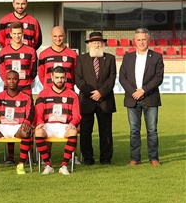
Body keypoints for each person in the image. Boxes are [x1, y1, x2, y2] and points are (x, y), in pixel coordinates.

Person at [119, 28, 164, 167]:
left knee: (152, 131)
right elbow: (122, 77)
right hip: (132, 99)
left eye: (144, 39)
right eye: (138, 39)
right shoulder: (128, 57)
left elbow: (158, 78)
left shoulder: (156, 56)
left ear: (148, 40)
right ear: (134, 41)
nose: (141, 42)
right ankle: (135, 159)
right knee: (134, 131)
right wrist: (134, 92)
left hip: (150, 98)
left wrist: (143, 90)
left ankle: (154, 158)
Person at [0, 21, 37, 164]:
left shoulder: (30, 51)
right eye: (14, 34)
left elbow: (33, 70)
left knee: (28, 121)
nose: (17, 36)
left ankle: (29, 155)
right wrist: (10, 84)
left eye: (19, 33)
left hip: (25, 89)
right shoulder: (4, 52)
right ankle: (10, 157)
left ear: (23, 33)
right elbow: (2, 70)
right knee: (10, 120)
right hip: (9, 91)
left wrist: (24, 82)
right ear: (10, 34)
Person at [75, 31, 116, 165]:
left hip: (105, 100)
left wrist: (101, 92)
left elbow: (112, 79)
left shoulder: (110, 58)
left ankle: (105, 158)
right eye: (94, 42)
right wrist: (92, 92)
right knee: (86, 132)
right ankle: (88, 158)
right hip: (87, 100)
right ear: (89, 44)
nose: (96, 44)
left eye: (99, 42)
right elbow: (79, 80)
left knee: (106, 132)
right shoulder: (81, 59)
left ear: (103, 44)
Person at [0, 70, 35, 175]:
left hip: (17, 127)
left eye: (14, 79)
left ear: (18, 81)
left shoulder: (26, 97)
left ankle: (21, 165)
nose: (12, 81)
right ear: (5, 81)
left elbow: (31, 112)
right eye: (9, 79)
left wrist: (27, 122)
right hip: (3, 127)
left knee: (26, 132)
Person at [34, 67, 80, 175]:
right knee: (38, 132)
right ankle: (47, 165)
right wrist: (40, 123)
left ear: (66, 78)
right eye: (57, 77)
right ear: (52, 77)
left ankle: (64, 166)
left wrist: (73, 123)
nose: (60, 80)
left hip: (64, 126)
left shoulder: (73, 95)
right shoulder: (43, 94)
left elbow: (77, 114)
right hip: (48, 125)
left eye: (62, 77)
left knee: (73, 132)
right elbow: (38, 113)